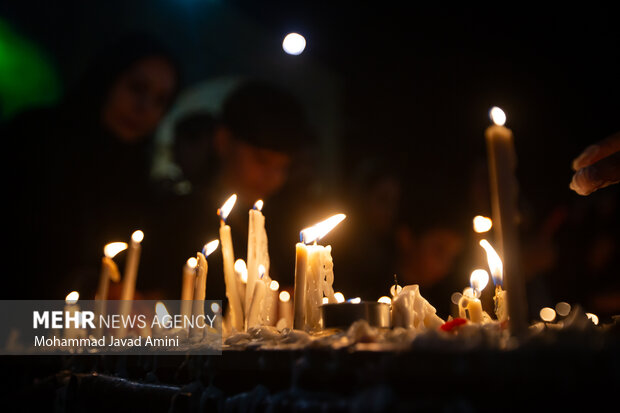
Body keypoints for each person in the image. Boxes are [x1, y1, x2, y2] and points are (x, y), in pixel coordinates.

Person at [2, 33, 180, 299]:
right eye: (137, 88)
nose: (144, 108)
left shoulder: (138, 177)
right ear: (108, 78)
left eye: (159, 101)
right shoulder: (34, 137)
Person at [143, 79, 315, 301]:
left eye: (283, 166)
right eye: (262, 160)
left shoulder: (287, 223)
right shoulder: (175, 217)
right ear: (223, 141)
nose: (273, 177)